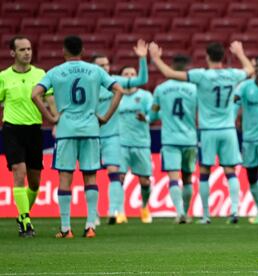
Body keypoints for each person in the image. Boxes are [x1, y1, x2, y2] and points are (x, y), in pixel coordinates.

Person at [149, 41, 254, 224]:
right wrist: (240, 53)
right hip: (228, 129)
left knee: (204, 171)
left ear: (207, 56)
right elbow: (250, 69)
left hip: (208, 131)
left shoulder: (201, 75)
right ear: (222, 57)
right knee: (230, 170)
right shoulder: (232, 74)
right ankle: (235, 211)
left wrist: (156, 58)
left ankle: (205, 215)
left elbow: (169, 74)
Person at [32, 36, 125, 238]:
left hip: (66, 130)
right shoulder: (95, 70)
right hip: (91, 128)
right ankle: (90, 226)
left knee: (65, 177)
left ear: (64, 51)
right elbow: (119, 89)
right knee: (90, 176)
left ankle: (66, 229)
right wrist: (106, 117)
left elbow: (34, 94)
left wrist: (50, 117)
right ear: (82, 51)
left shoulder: (56, 71)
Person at [0, 36, 56, 237]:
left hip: (34, 129)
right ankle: (25, 222)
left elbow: (49, 98)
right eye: (22, 49)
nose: (27, 53)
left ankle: (25, 213)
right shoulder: (4, 76)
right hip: (12, 129)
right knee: (18, 172)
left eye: (29, 49)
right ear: (13, 53)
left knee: (34, 182)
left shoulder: (41, 74)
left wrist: (55, 120)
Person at [92, 39, 149, 225]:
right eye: (101, 65)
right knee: (89, 174)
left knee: (114, 173)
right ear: (93, 68)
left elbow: (142, 80)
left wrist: (142, 59)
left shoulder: (115, 81)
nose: (105, 68)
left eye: (107, 64)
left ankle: (113, 211)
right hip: (91, 135)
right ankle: (93, 213)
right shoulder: (87, 84)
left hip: (112, 137)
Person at [148, 55, 197, 223]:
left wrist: (157, 115)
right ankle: (187, 211)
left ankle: (179, 212)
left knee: (174, 177)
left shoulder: (161, 89)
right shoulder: (194, 88)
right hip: (190, 138)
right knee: (188, 177)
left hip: (170, 140)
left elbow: (153, 114)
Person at [233, 54, 258, 224]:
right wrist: (232, 119)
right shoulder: (244, 87)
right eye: (257, 65)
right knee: (251, 176)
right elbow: (234, 105)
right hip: (248, 138)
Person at [117, 66, 153, 224]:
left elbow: (154, 113)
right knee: (119, 178)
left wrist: (146, 117)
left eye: (132, 74)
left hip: (141, 143)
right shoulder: (116, 96)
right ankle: (120, 211)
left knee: (145, 180)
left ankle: (144, 206)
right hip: (120, 143)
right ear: (121, 77)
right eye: (126, 74)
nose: (130, 77)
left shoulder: (145, 96)